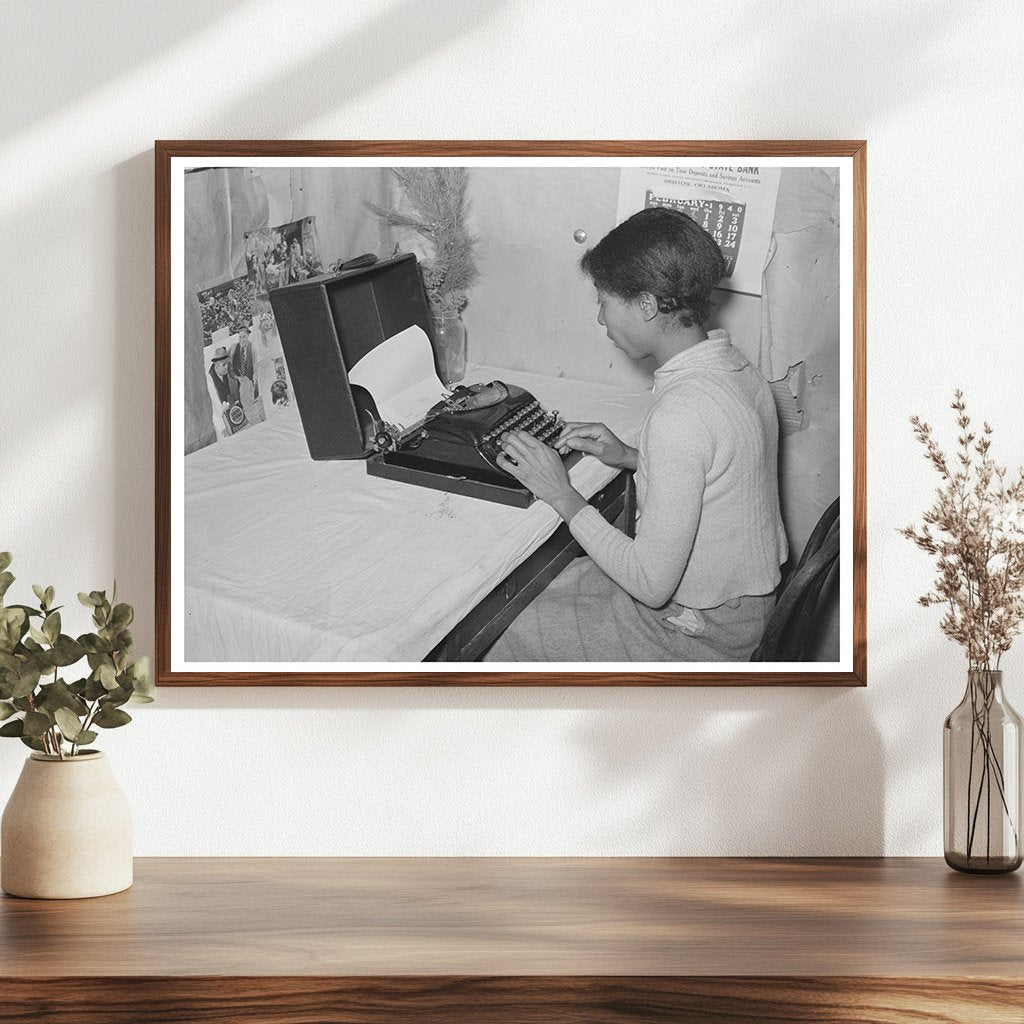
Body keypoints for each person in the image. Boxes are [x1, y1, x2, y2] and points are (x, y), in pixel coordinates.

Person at [485, 206, 788, 662]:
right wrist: (629, 454)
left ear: (646, 305)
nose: (601, 319)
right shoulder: (736, 369)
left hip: (701, 633)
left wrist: (561, 493)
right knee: (549, 585)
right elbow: (717, 470)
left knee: (501, 628)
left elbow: (649, 584)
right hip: (741, 604)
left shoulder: (681, 414)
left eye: (604, 302)